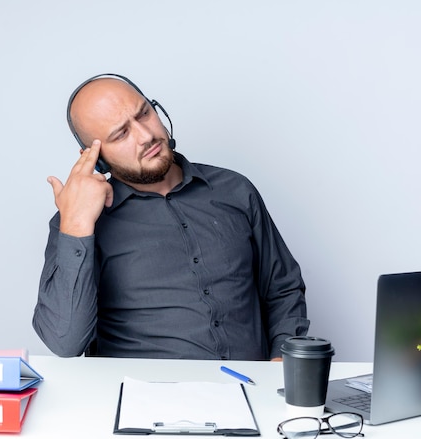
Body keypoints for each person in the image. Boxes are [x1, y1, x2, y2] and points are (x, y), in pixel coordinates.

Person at [32, 74, 309, 360]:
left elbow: (282, 288)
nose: (146, 136)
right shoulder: (78, 222)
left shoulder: (235, 190)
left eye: (144, 114)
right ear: (95, 157)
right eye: (121, 134)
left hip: (248, 394)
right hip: (145, 399)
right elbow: (65, 341)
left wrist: (281, 362)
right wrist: (77, 225)